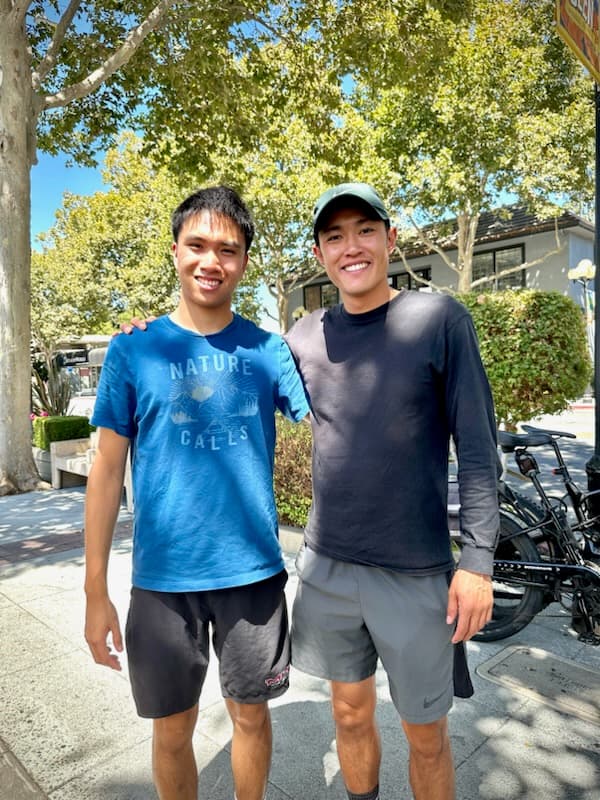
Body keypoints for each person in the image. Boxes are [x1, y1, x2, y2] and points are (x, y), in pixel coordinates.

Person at [84, 185, 309, 800]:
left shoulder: (268, 350)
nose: (212, 260)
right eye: (198, 245)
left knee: (251, 716)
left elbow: (331, 416)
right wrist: (94, 590)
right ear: (176, 251)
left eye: (228, 250)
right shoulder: (134, 348)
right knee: (171, 730)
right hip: (162, 581)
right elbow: (106, 473)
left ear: (244, 261)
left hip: (252, 575)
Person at [285, 183, 499, 800]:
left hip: (416, 572)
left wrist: (477, 562)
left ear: (390, 238)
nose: (350, 247)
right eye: (334, 236)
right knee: (348, 716)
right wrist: (159, 330)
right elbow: (232, 356)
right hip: (327, 566)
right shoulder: (303, 336)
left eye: (364, 230)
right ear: (321, 254)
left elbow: (479, 448)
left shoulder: (437, 319)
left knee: (425, 733)